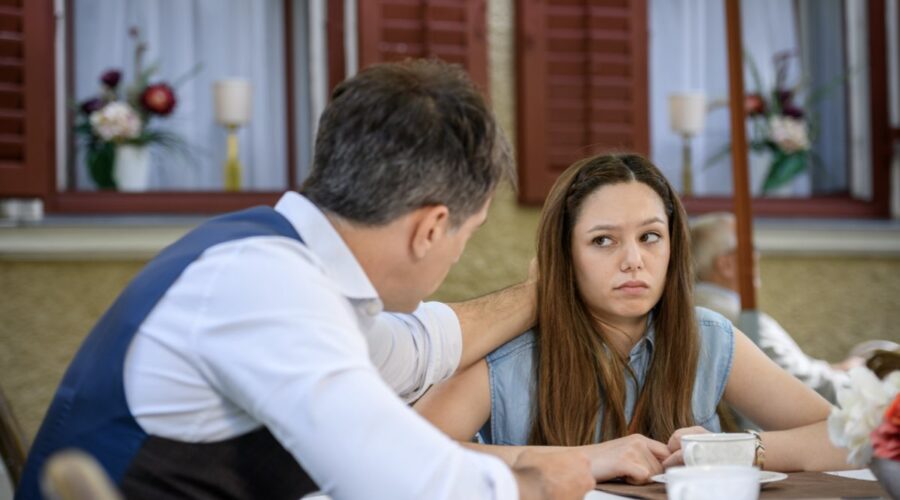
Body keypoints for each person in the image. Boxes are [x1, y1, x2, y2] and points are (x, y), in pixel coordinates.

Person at [17, 60, 595, 500]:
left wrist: (543, 294)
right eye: (470, 232)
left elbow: (420, 347)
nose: (460, 250)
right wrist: (541, 482)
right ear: (430, 228)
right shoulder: (265, 289)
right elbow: (397, 479)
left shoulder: (279, 264)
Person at [415, 153, 853, 484]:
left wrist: (742, 449)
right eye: (603, 240)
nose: (633, 261)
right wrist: (586, 459)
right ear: (566, 254)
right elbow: (408, 453)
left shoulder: (709, 337)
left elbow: (846, 438)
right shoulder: (508, 354)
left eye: (650, 237)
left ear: (672, 246)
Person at [689, 212, 897, 404]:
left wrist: (837, 368)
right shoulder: (739, 320)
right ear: (726, 265)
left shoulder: (697, 309)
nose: (758, 256)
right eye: (752, 248)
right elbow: (797, 385)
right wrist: (857, 377)